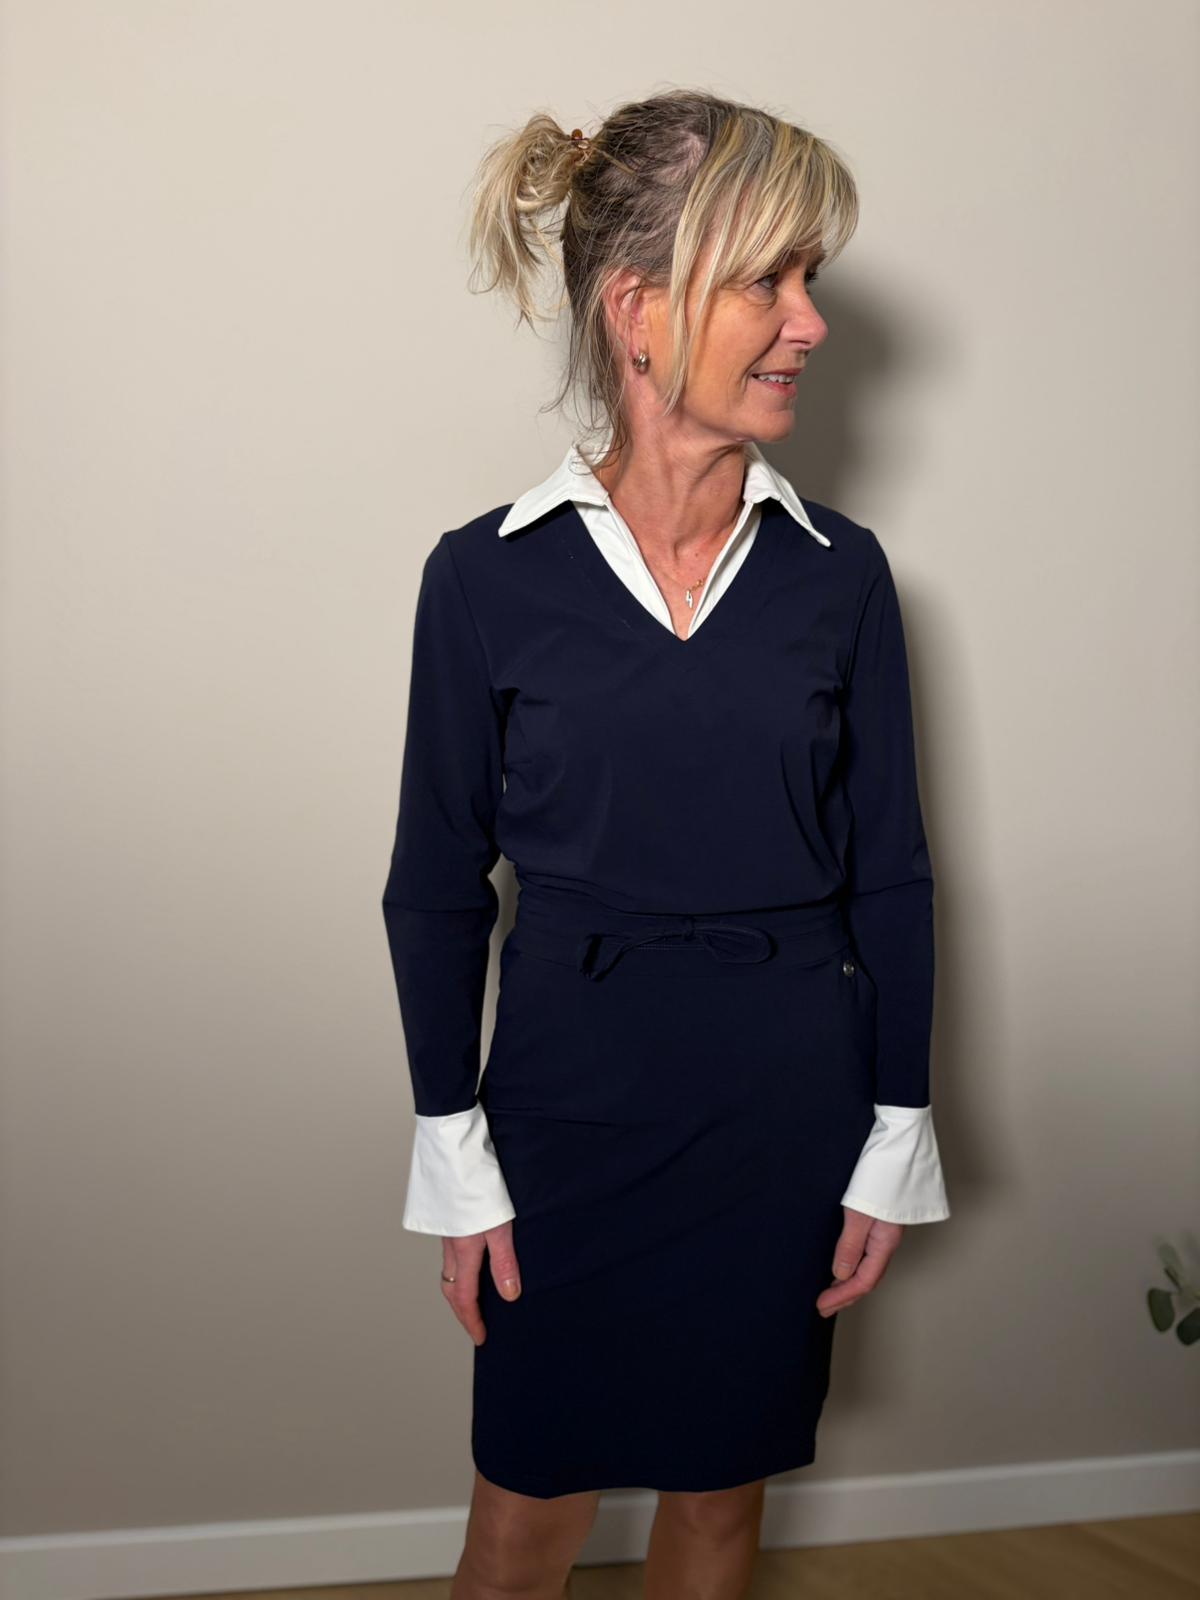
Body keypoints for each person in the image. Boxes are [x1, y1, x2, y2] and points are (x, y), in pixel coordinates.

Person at [381, 87, 951, 1600]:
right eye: (769, 280)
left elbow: (892, 873)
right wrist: (455, 1154)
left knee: (718, 1496)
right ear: (638, 310)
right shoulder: (484, 580)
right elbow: (435, 890)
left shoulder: (842, 577)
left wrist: (895, 1132)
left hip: (784, 1106)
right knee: (523, 1521)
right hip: (568, 1109)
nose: (809, 322)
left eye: (811, 278)